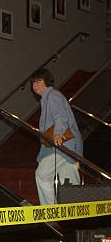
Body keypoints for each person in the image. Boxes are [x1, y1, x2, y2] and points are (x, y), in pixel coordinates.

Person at [30, 69, 82, 205]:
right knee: (70, 185)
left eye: (39, 81)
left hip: (61, 144)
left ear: (46, 81)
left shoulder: (52, 95)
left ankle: (50, 211)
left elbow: (60, 116)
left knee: (42, 175)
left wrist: (58, 133)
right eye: (33, 82)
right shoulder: (48, 98)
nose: (35, 85)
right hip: (68, 144)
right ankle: (75, 217)